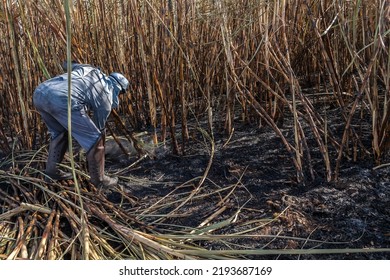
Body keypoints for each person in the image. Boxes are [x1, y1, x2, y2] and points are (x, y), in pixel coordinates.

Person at [33, 62, 129, 188]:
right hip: (63, 100)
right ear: (119, 88)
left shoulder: (89, 69)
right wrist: (96, 148)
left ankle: (52, 172)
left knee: (60, 133)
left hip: (40, 92)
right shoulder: (106, 96)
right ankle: (99, 180)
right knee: (96, 141)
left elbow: (67, 64)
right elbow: (97, 132)